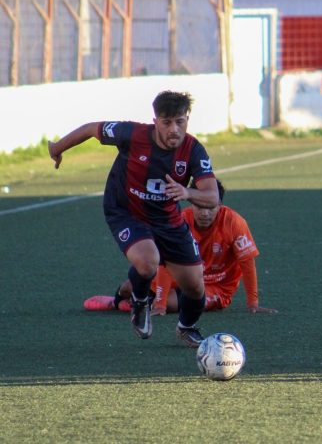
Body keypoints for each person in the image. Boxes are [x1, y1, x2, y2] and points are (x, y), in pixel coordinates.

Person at [48, 90, 219, 348]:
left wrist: (186, 192)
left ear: (187, 120)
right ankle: (140, 300)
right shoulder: (133, 134)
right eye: (167, 122)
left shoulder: (193, 149)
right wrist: (57, 149)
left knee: (195, 287)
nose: (174, 129)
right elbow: (92, 129)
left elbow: (212, 196)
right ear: (155, 121)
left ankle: (187, 328)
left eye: (180, 122)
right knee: (149, 261)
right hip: (125, 211)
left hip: (167, 218)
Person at [83, 180, 277, 316]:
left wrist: (253, 303)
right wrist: (159, 305)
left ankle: (140, 303)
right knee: (131, 286)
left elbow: (247, 262)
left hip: (216, 287)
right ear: (191, 203)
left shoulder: (235, 222)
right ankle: (117, 302)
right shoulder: (180, 221)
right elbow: (166, 262)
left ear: (220, 205)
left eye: (211, 207)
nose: (205, 213)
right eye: (199, 206)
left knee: (175, 303)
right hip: (182, 276)